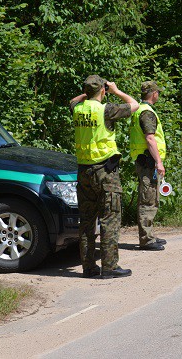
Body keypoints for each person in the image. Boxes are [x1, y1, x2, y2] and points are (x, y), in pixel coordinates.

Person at [71, 75, 139, 279]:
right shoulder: (106, 109)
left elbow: (73, 100)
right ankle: (109, 267)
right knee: (110, 218)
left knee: (86, 222)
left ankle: (88, 267)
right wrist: (115, 91)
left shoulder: (78, 109)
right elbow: (134, 105)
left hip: (84, 171)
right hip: (105, 171)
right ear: (102, 90)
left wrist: (91, 91)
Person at [129, 80, 167, 251]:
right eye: (157, 92)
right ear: (154, 94)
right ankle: (146, 240)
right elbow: (150, 138)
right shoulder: (146, 112)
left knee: (151, 198)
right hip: (148, 162)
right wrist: (159, 162)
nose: (158, 95)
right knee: (147, 200)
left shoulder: (140, 110)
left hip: (146, 161)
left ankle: (149, 235)